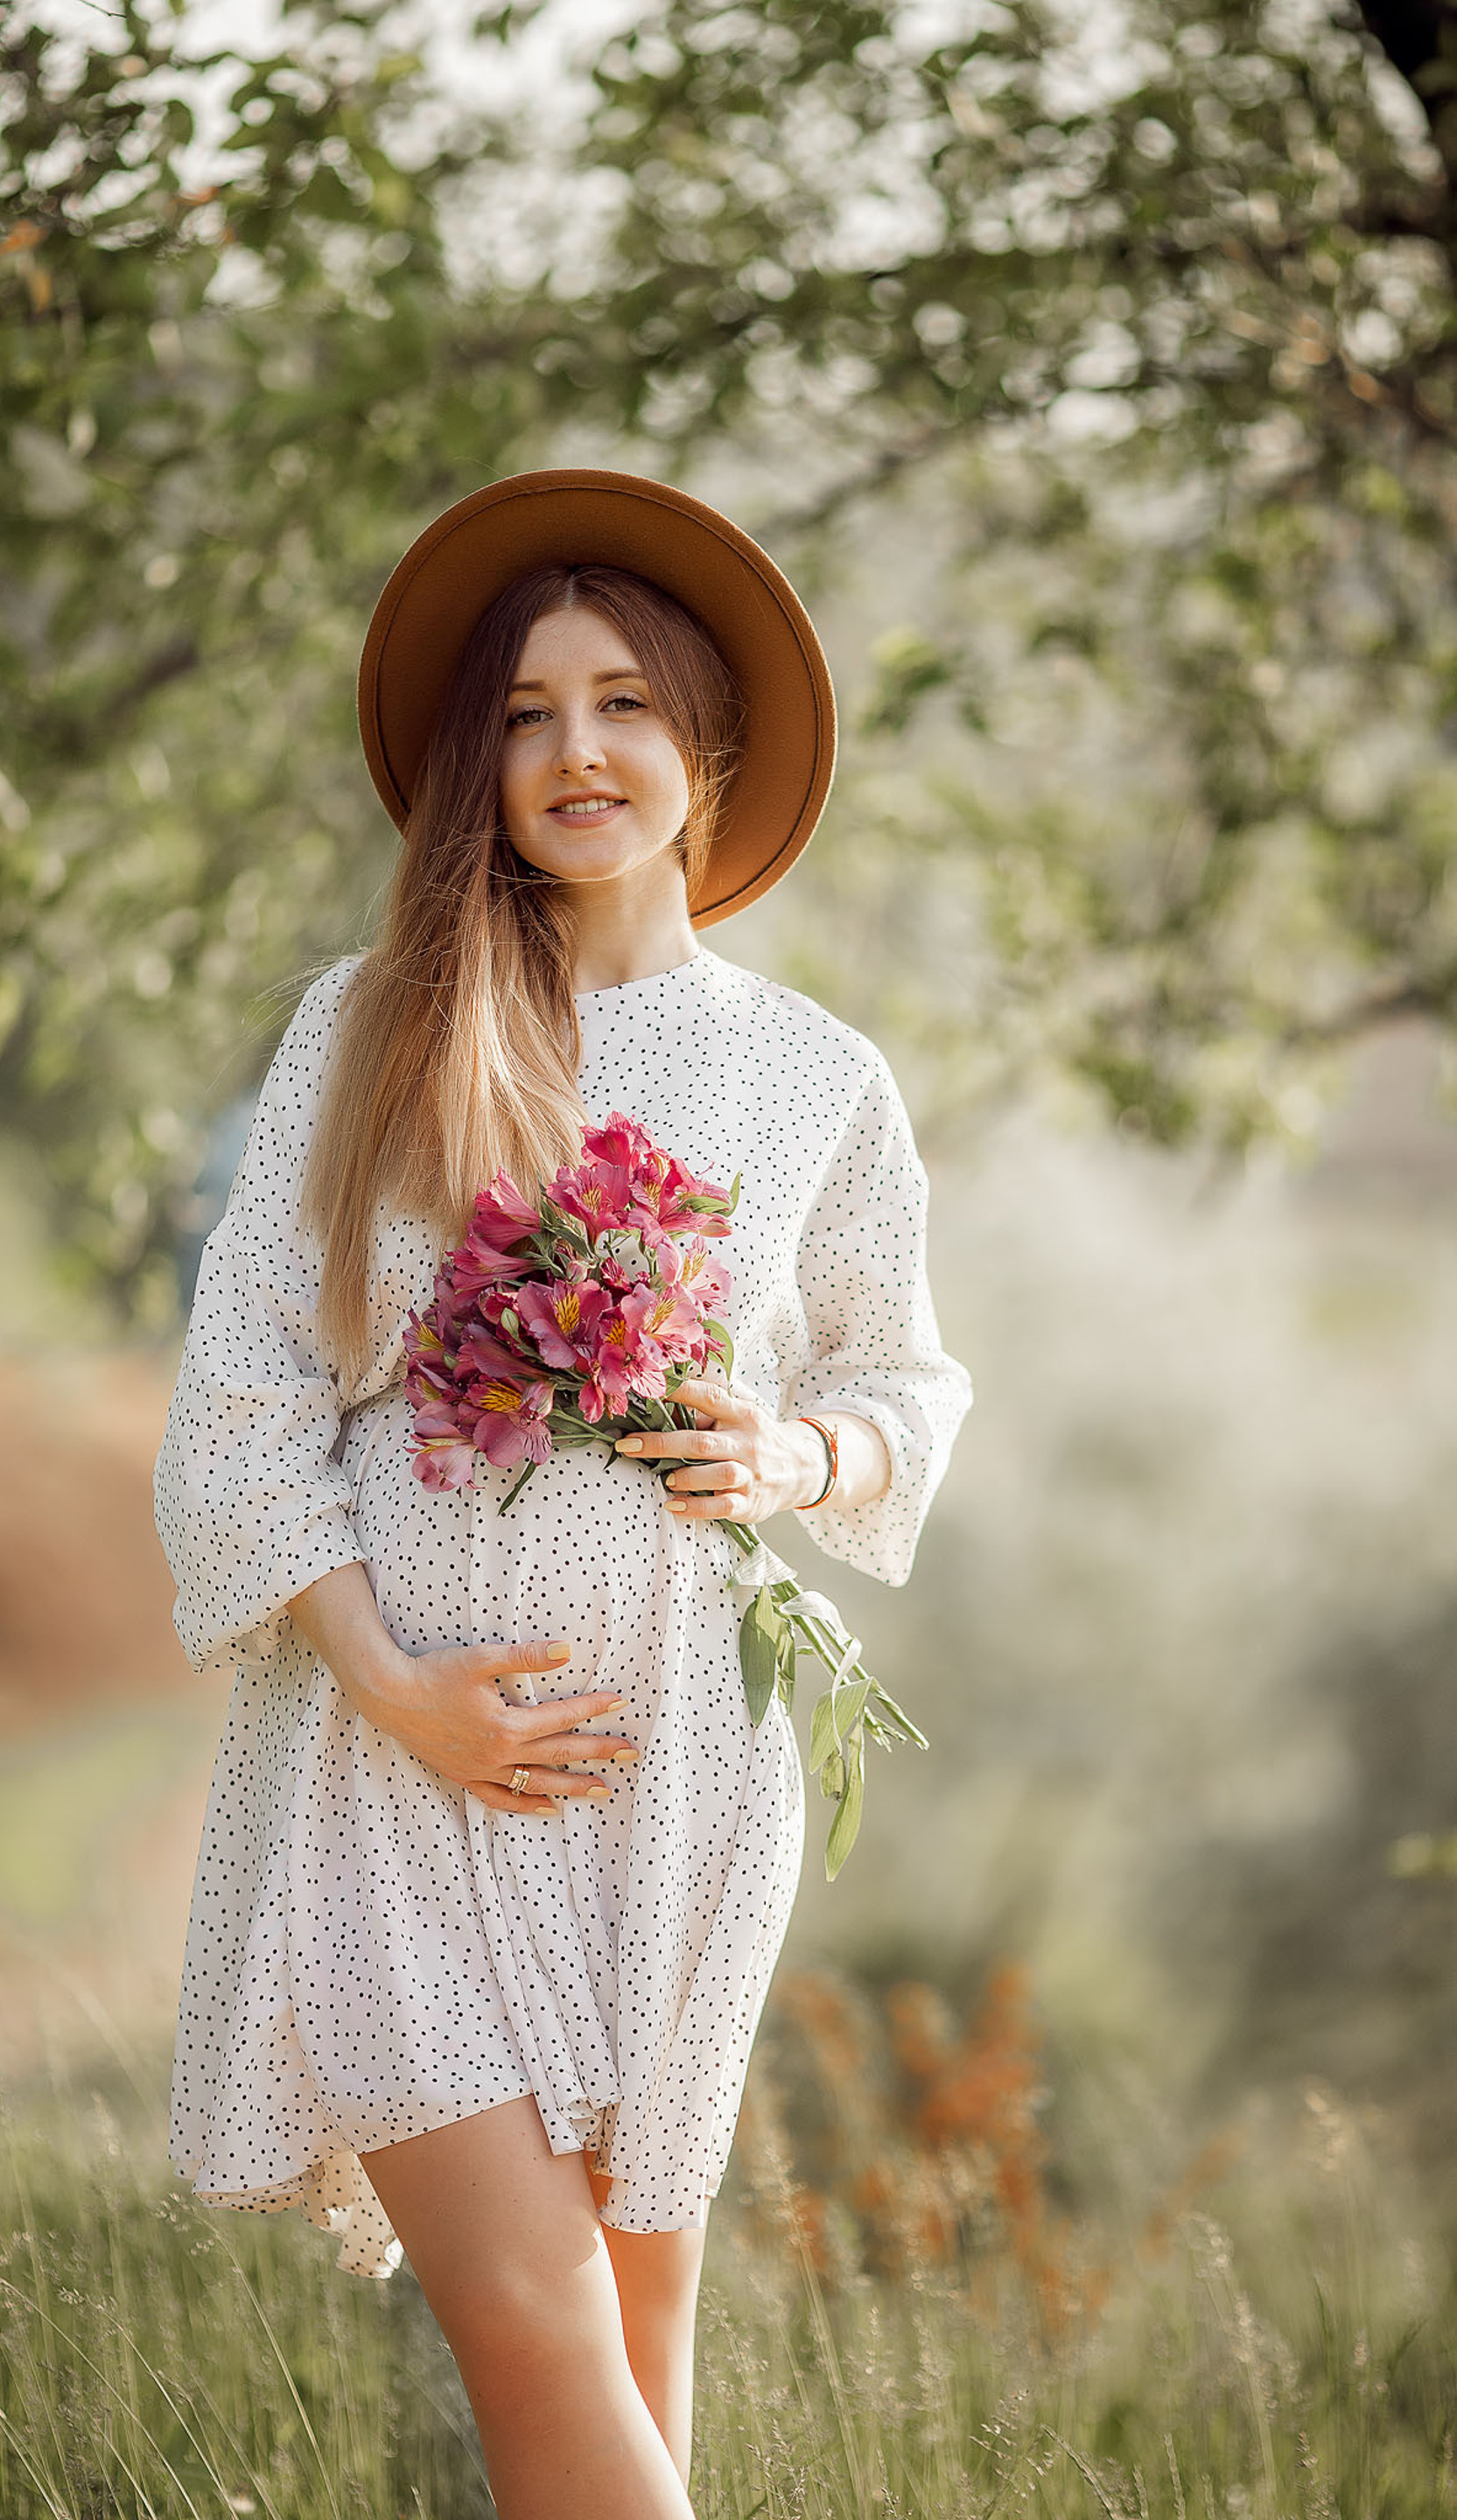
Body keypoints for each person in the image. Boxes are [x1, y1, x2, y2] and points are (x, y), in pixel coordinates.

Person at [153, 468, 972, 2519]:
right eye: (526, 713)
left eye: (622, 705)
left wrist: (796, 1447)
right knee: (533, 2329)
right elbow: (244, 1401)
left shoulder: (815, 1078)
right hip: (396, 1771)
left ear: (706, 755)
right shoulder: (370, 1030)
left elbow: (903, 1378)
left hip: (683, 1769)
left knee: (632, 2335)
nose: (575, 751)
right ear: (476, 761)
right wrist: (393, 1681)